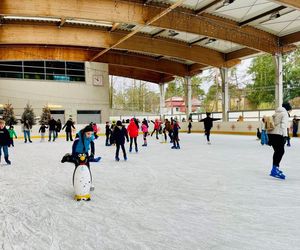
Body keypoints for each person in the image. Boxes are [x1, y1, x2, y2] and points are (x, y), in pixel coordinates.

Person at [267, 102, 291, 179]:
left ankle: (275, 168)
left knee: (277, 151)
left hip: (271, 134)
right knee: (280, 151)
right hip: (278, 134)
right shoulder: (285, 113)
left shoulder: (276, 112)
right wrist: (285, 136)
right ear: (288, 108)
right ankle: (274, 170)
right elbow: (284, 125)